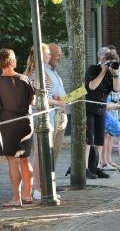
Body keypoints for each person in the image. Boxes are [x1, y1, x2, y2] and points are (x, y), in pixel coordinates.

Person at [24, 44, 65, 200]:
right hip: (39, 117)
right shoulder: (36, 73)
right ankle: (39, 189)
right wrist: (57, 102)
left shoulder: (42, 72)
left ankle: (44, 187)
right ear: (40, 55)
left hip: (48, 116)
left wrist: (56, 101)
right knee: (39, 154)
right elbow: (37, 98)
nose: (49, 56)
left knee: (44, 153)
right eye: (47, 54)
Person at [0, 48, 35, 207]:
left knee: (13, 161)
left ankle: (16, 197)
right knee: (25, 160)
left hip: (8, 124)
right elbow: (33, 102)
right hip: (26, 123)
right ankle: (28, 195)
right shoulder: (24, 79)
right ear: (12, 61)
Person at [84, 47, 120, 179]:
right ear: (102, 59)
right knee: (89, 139)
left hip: (101, 110)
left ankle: (97, 166)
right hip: (89, 108)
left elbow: (117, 89)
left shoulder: (111, 74)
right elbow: (92, 86)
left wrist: (115, 73)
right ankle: (84, 167)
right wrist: (102, 71)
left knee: (100, 140)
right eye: (108, 60)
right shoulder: (93, 69)